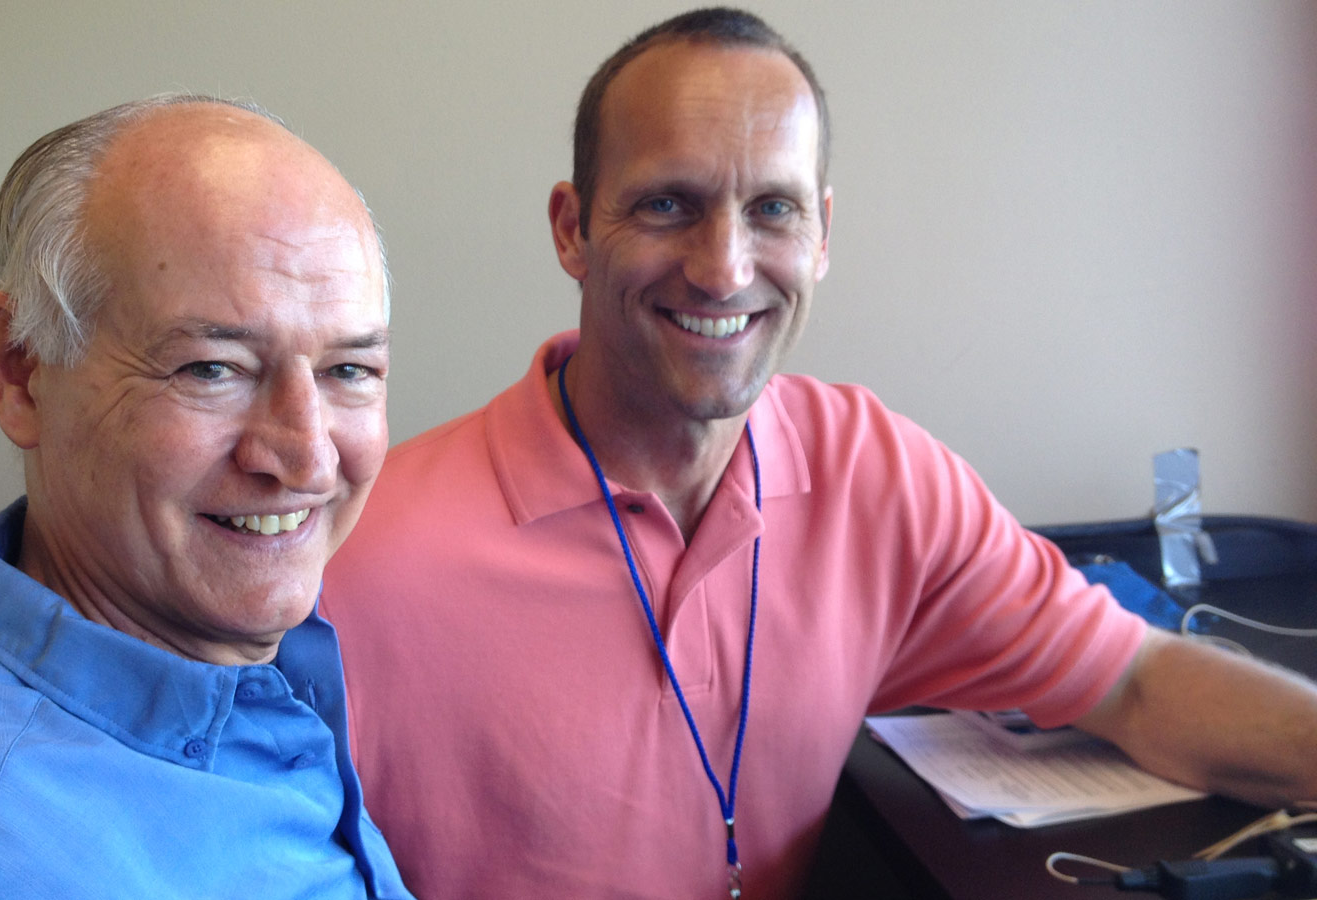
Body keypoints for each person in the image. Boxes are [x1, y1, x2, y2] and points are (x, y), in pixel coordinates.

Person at [318, 8, 1317, 899]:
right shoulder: (361, 563)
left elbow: (1136, 683)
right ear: (573, 230)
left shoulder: (875, 476)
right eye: (667, 204)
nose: (723, 269)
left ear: (823, 233)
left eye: (772, 210)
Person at [0, 95, 412, 899]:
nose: (308, 455)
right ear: (20, 370)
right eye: (211, 368)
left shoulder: (233, 645)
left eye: (349, 370)